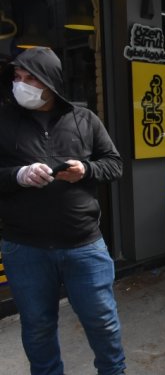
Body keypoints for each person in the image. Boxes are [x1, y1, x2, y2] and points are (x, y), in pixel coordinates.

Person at [0, 48, 126, 374]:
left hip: (84, 245)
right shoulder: (4, 120)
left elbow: (114, 165)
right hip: (25, 248)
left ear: (51, 82)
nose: (21, 85)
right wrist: (18, 175)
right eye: (17, 77)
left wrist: (86, 170)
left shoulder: (84, 120)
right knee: (38, 327)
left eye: (30, 78)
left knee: (103, 322)